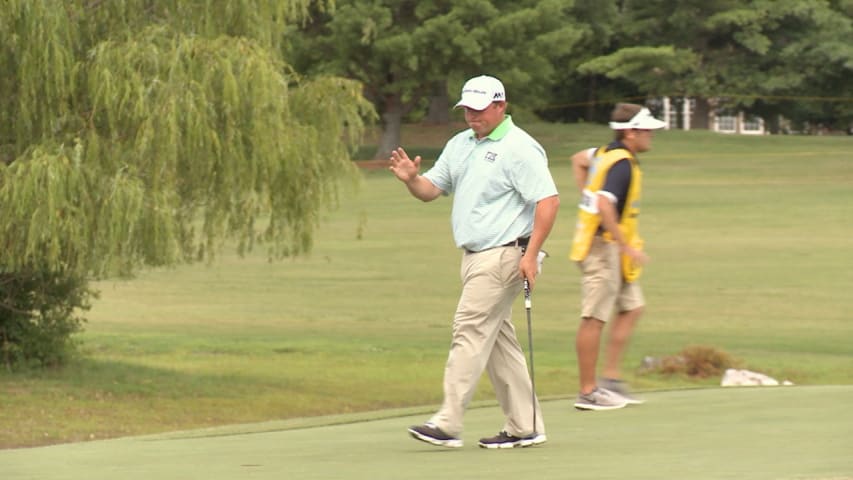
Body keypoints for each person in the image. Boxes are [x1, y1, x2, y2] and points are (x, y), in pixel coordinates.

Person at [389, 75, 560, 448]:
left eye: (479, 109)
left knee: (468, 328)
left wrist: (531, 256)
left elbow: (549, 201)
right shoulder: (461, 144)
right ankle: (525, 425)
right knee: (498, 341)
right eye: (467, 108)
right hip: (474, 257)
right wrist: (411, 180)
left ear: (501, 105)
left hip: (506, 254)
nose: (472, 116)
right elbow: (431, 190)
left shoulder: (519, 147)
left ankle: (448, 421)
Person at [568, 103, 666, 410]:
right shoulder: (621, 164)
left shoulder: (602, 153)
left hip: (611, 248)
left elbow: (577, 160)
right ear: (630, 132)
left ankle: (610, 379)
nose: (650, 135)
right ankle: (588, 391)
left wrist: (585, 193)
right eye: (646, 130)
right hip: (604, 248)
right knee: (594, 318)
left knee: (632, 307)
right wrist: (625, 245)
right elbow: (605, 204)